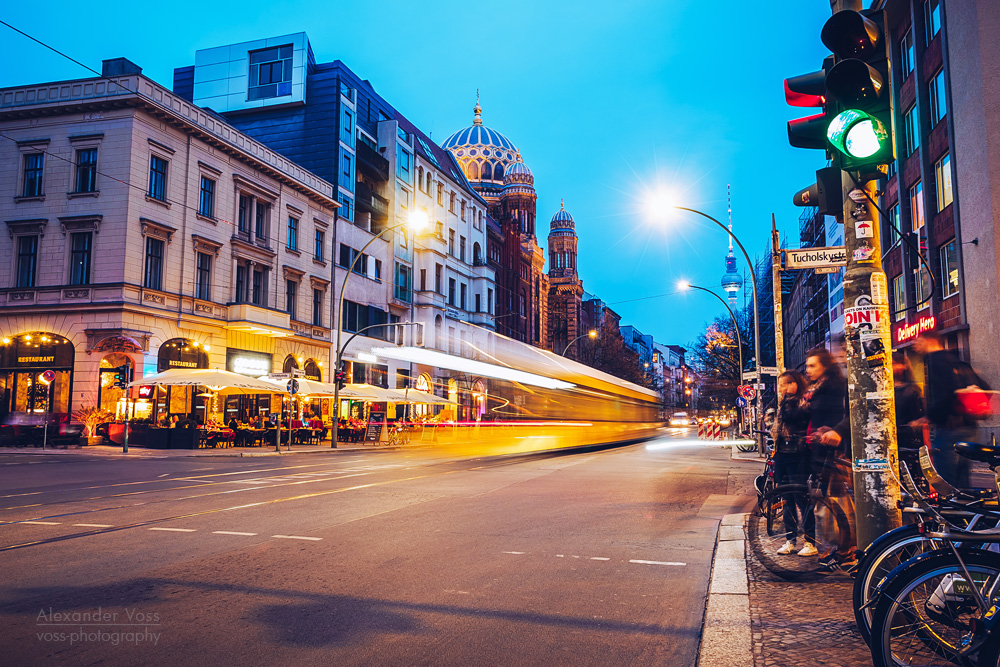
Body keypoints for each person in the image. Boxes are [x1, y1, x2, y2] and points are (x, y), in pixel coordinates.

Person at [913, 331, 989, 489]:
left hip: (949, 430)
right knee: (962, 480)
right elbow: (985, 387)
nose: (916, 345)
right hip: (969, 427)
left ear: (929, 341)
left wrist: (928, 417)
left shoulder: (936, 361)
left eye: (919, 341)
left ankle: (950, 512)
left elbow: (945, 392)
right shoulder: (957, 362)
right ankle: (965, 512)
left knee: (947, 482)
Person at [771, 370, 816, 557]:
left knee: (801, 498)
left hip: (798, 454)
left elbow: (793, 418)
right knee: (786, 499)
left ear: (795, 384)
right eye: (780, 384)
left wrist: (784, 405)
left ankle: (810, 542)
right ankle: (790, 540)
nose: (781, 388)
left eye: (784, 384)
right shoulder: (784, 402)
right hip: (782, 452)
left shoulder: (803, 402)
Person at [892, 352, 926, 481]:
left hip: (905, 440)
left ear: (903, 366)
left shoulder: (910, 390)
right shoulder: (884, 389)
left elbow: (917, 417)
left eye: (895, 363)